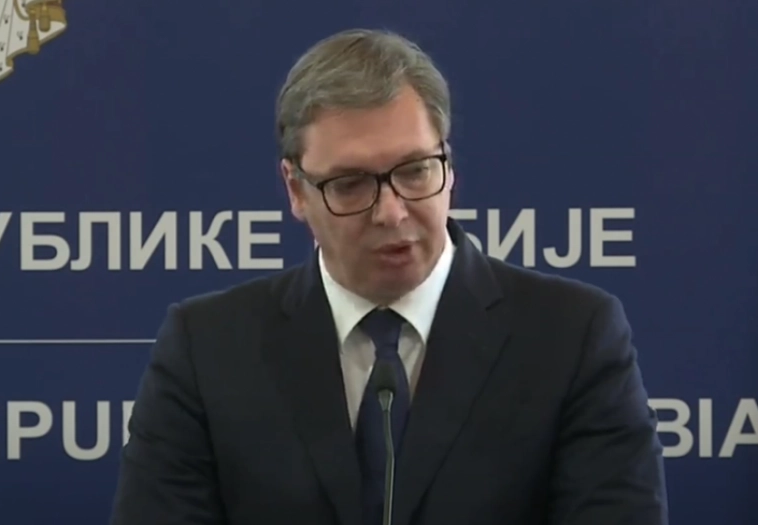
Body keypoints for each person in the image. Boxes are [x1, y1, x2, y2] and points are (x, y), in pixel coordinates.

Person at [109, 28, 668, 525]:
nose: (392, 212)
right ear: (296, 190)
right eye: (350, 184)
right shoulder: (207, 348)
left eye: (415, 171)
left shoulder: (572, 336)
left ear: (448, 166)